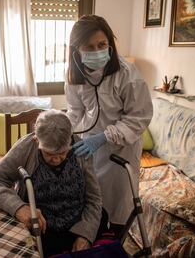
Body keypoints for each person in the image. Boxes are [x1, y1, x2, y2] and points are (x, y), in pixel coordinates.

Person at [65, 15, 153, 237]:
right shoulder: (75, 75)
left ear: (110, 44)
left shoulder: (127, 74)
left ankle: (115, 243)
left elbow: (139, 117)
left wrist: (105, 137)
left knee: (117, 206)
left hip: (120, 149)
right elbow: (76, 111)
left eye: (102, 45)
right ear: (77, 50)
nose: (97, 51)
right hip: (89, 147)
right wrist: (63, 132)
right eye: (89, 47)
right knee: (91, 202)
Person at [0, 109, 102, 257]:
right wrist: (19, 208)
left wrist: (86, 234)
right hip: (42, 227)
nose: (56, 160)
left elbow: (94, 198)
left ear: (70, 139)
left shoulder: (81, 148)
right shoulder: (26, 147)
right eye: (49, 153)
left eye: (63, 153)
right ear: (36, 140)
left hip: (78, 223)